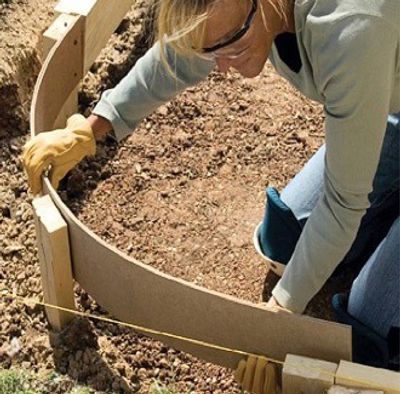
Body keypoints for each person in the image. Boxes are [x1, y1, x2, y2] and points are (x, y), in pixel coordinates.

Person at [23, 0, 399, 391]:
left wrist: (277, 321)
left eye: (233, 46)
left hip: (373, 63)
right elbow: (186, 52)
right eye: (212, 51)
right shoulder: (244, 16)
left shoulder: (351, 29)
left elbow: (342, 204)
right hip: (388, 98)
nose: (220, 67)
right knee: (284, 242)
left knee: (374, 329)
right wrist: (92, 128)